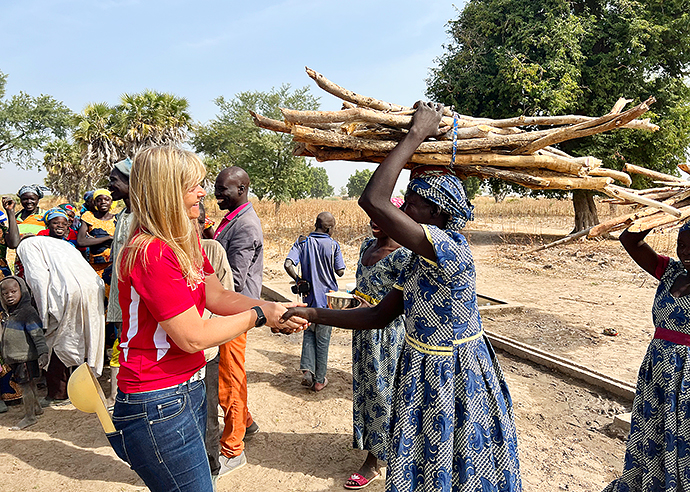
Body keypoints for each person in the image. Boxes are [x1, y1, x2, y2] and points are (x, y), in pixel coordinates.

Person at [282, 102, 522, 492]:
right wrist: (311, 312)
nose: (403, 210)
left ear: (439, 214)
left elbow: (374, 200)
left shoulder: (450, 249)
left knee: (461, 462)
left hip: (454, 372)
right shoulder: (415, 262)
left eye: (413, 204)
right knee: (427, 464)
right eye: (405, 203)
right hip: (422, 368)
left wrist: (416, 134)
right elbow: (376, 316)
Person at [111, 146, 306, 492]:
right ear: (166, 191)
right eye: (192, 186)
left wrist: (274, 310)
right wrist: (260, 315)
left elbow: (217, 296)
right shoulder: (153, 251)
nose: (203, 193)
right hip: (157, 398)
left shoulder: (184, 243)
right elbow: (193, 336)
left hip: (183, 389)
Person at [602, 223, 690, 491]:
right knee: (653, 429)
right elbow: (629, 239)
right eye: (682, 244)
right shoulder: (669, 271)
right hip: (657, 367)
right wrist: (659, 211)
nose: (685, 252)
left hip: (687, 375)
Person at [345, 206, 411, 490]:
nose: (374, 222)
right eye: (372, 216)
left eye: (381, 217)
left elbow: (408, 300)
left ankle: (374, 462)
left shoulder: (404, 255)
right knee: (364, 389)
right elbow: (362, 286)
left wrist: (375, 309)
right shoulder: (365, 247)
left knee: (383, 394)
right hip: (363, 333)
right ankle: (377, 446)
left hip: (387, 336)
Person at [213, 166, 264, 475]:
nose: (217, 193)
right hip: (229, 311)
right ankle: (245, 421)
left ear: (242, 189)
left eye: (223, 190)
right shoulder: (233, 218)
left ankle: (233, 449)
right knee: (227, 375)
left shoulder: (244, 226)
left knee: (230, 378)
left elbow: (234, 278)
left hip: (234, 312)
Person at [18, 235, 106, 407]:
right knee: (86, 338)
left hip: (66, 292)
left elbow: (38, 279)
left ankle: (57, 394)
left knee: (56, 340)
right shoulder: (60, 244)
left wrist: (43, 317)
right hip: (92, 288)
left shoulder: (26, 245)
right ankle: (86, 388)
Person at [284, 211, 346, 392]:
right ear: (329, 228)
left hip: (308, 301)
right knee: (323, 340)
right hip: (328, 303)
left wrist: (299, 280)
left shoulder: (302, 242)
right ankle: (319, 380)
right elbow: (340, 271)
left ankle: (307, 372)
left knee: (309, 334)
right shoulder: (333, 245)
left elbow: (288, 264)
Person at [197, 200, 235, 485]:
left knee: (208, 409)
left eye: (196, 222)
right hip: (177, 354)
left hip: (205, 348)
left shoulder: (211, 251)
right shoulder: (160, 254)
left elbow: (225, 296)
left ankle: (210, 463)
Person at [0, 276, 49, 430]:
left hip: (25, 357)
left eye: (14, 291)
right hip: (15, 357)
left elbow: (37, 334)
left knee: (25, 387)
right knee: (30, 384)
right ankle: (36, 409)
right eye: (5, 293)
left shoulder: (27, 312)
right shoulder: (8, 314)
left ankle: (30, 417)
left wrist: (43, 353)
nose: (9, 295)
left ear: (22, 291)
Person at [104, 158, 134, 410]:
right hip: (120, 298)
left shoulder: (142, 215)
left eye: (114, 180)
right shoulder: (124, 214)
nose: (109, 185)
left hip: (135, 299)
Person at [77, 188, 117, 278]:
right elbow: (81, 241)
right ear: (95, 203)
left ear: (111, 202)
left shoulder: (117, 219)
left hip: (113, 265)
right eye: (99, 200)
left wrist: (94, 240)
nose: (103, 202)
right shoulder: (89, 217)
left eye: (107, 199)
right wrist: (108, 238)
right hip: (95, 266)